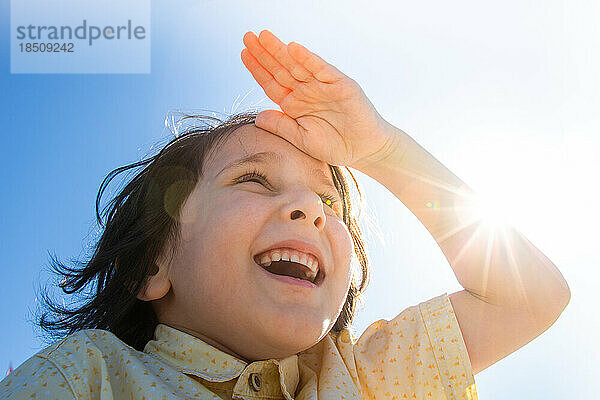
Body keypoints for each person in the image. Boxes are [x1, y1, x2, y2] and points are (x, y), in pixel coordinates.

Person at [0, 30, 570, 400]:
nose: (309, 211)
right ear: (154, 263)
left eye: (328, 200)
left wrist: (382, 151)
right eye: (253, 179)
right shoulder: (87, 378)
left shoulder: (365, 378)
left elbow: (531, 297)